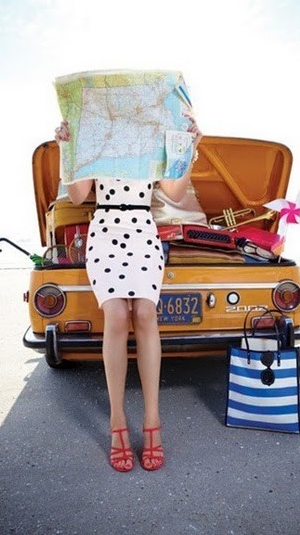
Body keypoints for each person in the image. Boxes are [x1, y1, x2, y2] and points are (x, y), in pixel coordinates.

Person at [55, 114, 203, 472]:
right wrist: (66, 148)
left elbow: (174, 192)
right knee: (118, 314)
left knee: (146, 313)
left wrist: (189, 148)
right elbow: (78, 195)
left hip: (143, 232)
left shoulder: (154, 135)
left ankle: (153, 421)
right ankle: (117, 422)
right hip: (105, 230)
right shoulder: (95, 136)